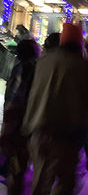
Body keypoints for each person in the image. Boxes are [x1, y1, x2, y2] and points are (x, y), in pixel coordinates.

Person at [22, 22, 88, 195]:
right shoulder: (87, 67)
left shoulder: (42, 62)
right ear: (80, 42)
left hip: (38, 130)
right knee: (65, 183)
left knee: (40, 182)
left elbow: (28, 93)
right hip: (67, 134)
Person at [0, 39, 40, 195]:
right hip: (20, 123)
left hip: (15, 121)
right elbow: (17, 100)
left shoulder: (20, 67)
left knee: (15, 162)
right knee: (17, 163)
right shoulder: (28, 69)